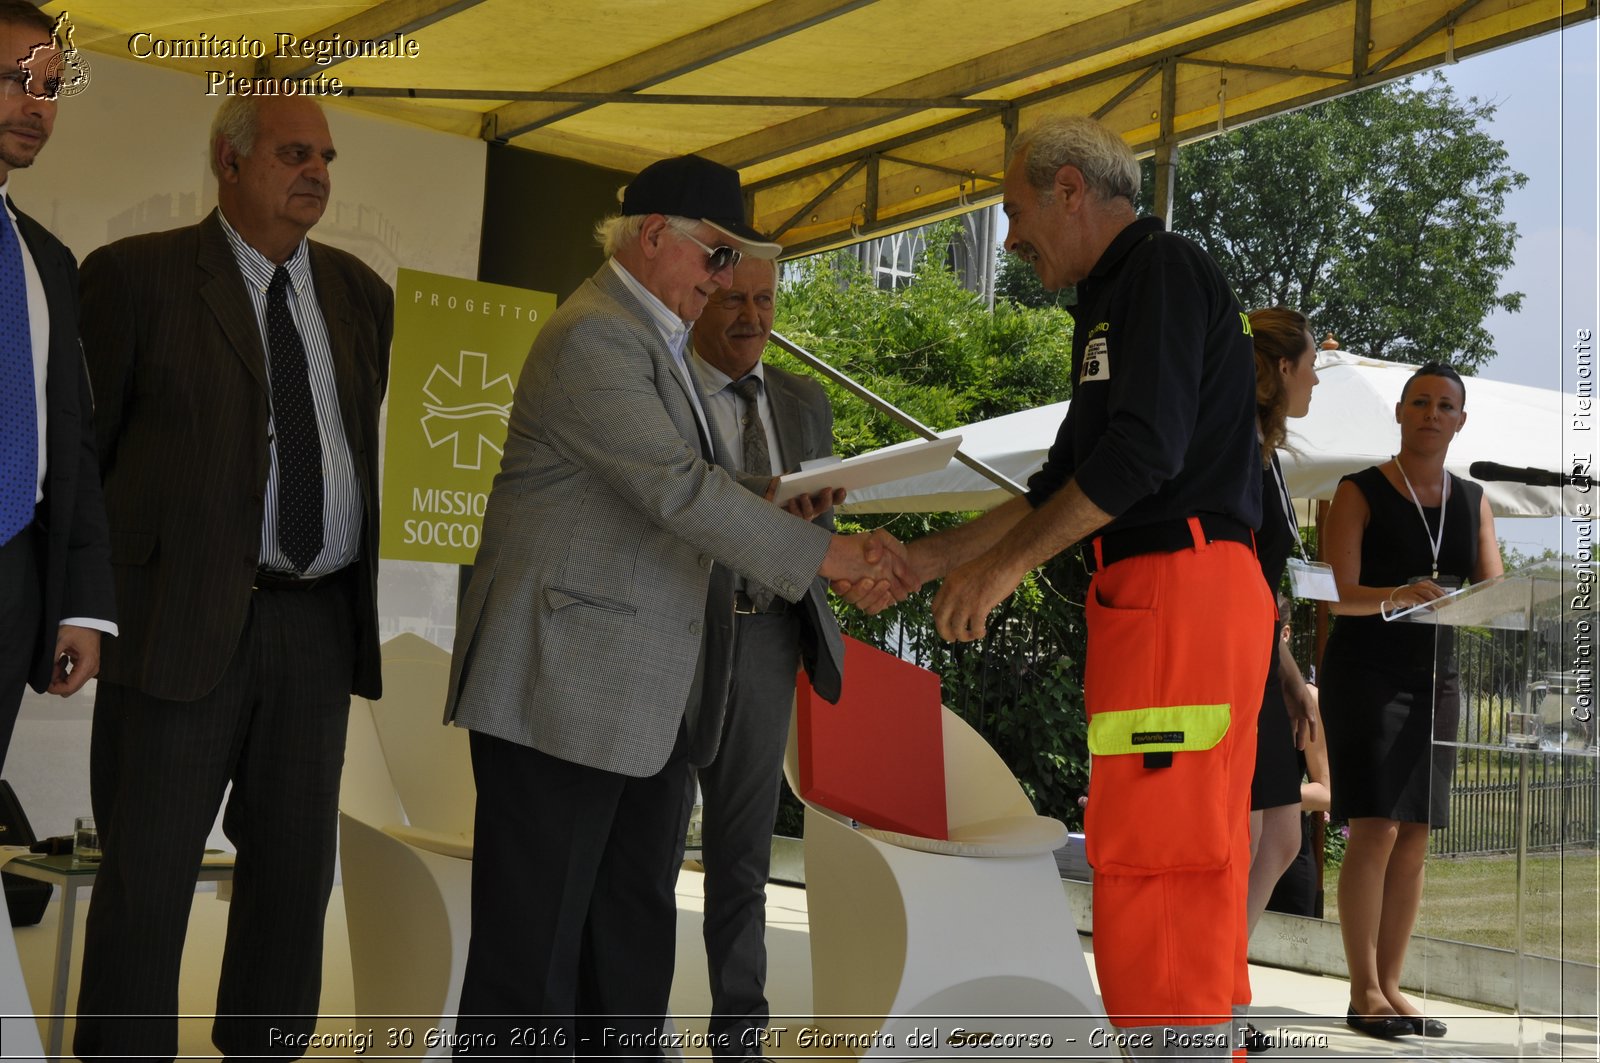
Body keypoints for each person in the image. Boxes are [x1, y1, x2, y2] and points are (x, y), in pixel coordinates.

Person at [444, 154, 904, 1057]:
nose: (725, 282)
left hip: (639, 702)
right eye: (716, 256)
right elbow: (675, 490)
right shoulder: (595, 335)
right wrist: (831, 556)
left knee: (625, 953)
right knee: (530, 971)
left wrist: (772, 497)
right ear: (654, 235)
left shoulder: (648, 338)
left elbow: (686, 483)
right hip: (559, 696)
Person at [842, 115, 1274, 1058]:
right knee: (1181, 854)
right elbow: (1059, 488)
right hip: (1175, 596)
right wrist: (927, 561)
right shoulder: (1116, 295)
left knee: (1155, 861)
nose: (1011, 238)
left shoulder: (1157, 271)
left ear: (1070, 188)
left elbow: (1140, 457)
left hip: (1179, 590)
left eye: (1015, 211)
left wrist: (1003, 569)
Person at [73, 95, 393, 1061]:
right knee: (148, 877)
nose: (318, 174)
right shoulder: (136, 277)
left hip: (314, 624)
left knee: (295, 883)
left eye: (327, 157)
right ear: (228, 160)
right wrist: (86, 602)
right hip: (176, 622)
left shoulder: (362, 293)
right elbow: (87, 458)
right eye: (295, 154)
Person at [687, 252, 844, 1059]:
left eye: (765, 299)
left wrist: (848, 557)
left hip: (768, 635)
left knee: (743, 855)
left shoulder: (803, 399)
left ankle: (738, 1033)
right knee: (643, 850)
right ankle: (629, 1029)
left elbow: (813, 530)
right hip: (678, 639)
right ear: (699, 295)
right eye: (733, 298)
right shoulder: (666, 384)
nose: (752, 315)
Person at [1319, 361, 1502, 1041]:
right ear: (1399, 413)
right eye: (1419, 401)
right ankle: (1361, 990)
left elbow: (1493, 589)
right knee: (1376, 828)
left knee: (1417, 833)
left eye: (1444, 404)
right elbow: (1335, 594)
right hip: (1367, 673)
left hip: (1438, 680)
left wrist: (1478, 600)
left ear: (1460, 421)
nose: (1431, 412)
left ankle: (1391, 986)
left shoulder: (1474, 499)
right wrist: (1395, 595)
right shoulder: (1359, 490)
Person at [0, 0, 114, 771]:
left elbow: (70, 441)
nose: (35, 106)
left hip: (16, 574)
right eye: (15, 79)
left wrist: (79, 600)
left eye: (49, 86)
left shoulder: (48, 262)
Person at [1239, 308, 1320, 1052]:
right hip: (1233, 657)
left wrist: (1292, 677)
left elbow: (1269, 589)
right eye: (1311, 366)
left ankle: (1221, 978)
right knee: (1256, 833)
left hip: (1264, 660)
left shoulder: (1265, 453)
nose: (1317, 380)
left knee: (1283, 834)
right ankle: (1215, 991)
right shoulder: (1233, 445)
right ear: (1282, 369)